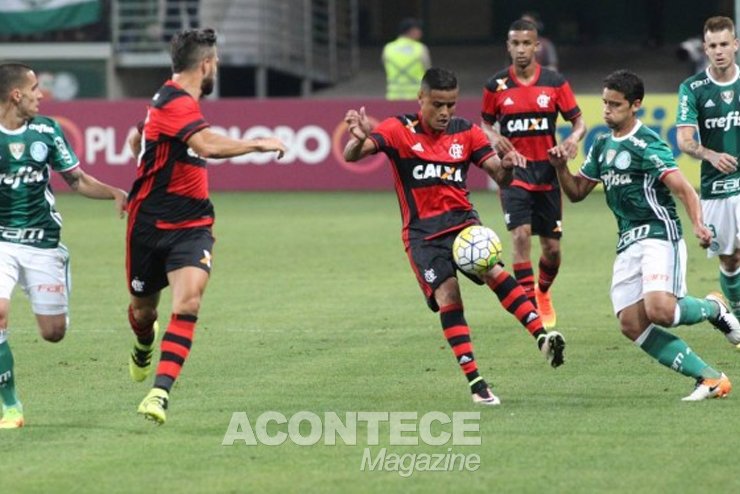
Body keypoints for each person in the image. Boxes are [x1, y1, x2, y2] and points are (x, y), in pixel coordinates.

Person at [344, 67, 566, 406]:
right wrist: (358, 138)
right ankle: (477, 384)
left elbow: (498, 175)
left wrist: (507, 164)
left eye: (451, 104)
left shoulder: (467, 132)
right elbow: (352, 155)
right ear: (421, 99)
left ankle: (542, 338)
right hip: (424, 236)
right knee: (449, 295)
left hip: (464, 226)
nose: (446, 112)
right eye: (438, 104)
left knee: (494, 271)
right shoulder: (397, 129)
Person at [125, 28, 286, 424]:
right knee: (143, 312)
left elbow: (136, 138)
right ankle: (144, 344)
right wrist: (258, 143)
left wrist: (145, 156)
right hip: (149, 225)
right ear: (207, 64)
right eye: (216, 63)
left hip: (193, 223)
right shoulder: (174, 101)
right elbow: (208, 146)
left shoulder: (175, 101)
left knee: (190, 301)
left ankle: (159, 393)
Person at [549, 69, 740, 401]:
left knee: (660, 310)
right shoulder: (601, 144)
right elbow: (578, 192)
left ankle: (713, 308)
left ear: (635, 105)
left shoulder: (646, 142)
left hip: (658, 234)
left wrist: (698, 224)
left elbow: (684, 190)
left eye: (615, 104)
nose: (607, 110)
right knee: (631, 323)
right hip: (627, 242)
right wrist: (560, 167)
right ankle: (709, 378)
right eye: (605, 103)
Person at [0, 62, 128, 429]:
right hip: (1, 241)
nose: (42, 94)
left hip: (42, 242)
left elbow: (76, 179)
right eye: (36, 88)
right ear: (16, 95)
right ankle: (11, 407)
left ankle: (58, 277)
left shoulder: (47, 130)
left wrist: (114, 193)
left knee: (53, 333)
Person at [481, 18, 586, 329]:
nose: (521, 49)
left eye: (527, 43)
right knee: (520, 234)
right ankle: (528, 307)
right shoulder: (496, 86)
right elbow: (485, 124)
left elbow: (579, 122)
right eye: (515, 43)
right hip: (514, 173)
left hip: (547, 173)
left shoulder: (554, 82)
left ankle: (542, 292)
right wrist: (493, 137)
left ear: (537, 46)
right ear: (508, 46)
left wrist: (571, 140)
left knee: (552, 250)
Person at [676, 16, 740, 319]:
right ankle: (737, 310)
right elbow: (685, 140)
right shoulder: (693, 88)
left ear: (735, 45)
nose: (719, 51)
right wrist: (711, 155)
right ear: (705, 48)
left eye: (724, 44)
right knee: (730, 259)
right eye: (713, 45)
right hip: (716, 188)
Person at [382, 17, 431, 100]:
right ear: (411, 31)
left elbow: (385, 67)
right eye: (418, 29)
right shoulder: (420, 48)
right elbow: (428, 72)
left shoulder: (388, 48)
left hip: (393, 97)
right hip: (417, 97)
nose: (421, 32)